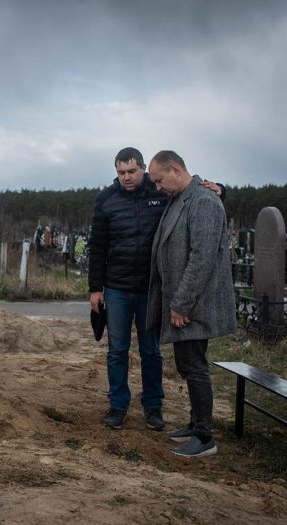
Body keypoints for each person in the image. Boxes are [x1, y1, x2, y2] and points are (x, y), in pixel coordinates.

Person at [88, 147, 223, 431]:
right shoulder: (106, 200)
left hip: (152, 289)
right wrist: (95, 288)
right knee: (117, 351)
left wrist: (221, 189)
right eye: (121, 173)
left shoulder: (161, 190)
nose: (126, 177)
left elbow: (195, 196)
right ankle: (118, 406)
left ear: (143, 170)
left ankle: (153, 407)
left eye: (132, 172)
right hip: (117, 287)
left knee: (151, 351)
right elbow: (97, 247)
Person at [146, 150, 236, 458]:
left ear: (174, 169)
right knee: (188, 363)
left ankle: (204, 436)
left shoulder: (204, 202)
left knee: (194, 366)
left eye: (159, 180)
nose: (158, 187)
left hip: (194, 306)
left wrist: (181, 304)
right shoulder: (180, 199)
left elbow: (201, 259)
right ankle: (194, 422)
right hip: (184, 303)